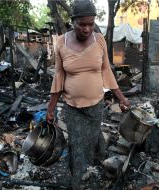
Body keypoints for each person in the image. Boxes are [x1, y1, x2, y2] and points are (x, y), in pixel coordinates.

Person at [46, 0, 130, 189]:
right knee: (76, 145)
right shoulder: (62, 42)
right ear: (72, 22)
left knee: (91, 141)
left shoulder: (99, 40)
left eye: (91, 24)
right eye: (82, 24)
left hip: (96, 105)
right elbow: (59, 76)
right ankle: (78, 181)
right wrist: (50, 108)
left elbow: (107, 71)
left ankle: (93, 165)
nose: (87, 29)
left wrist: (122, 98)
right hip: (73, 107)